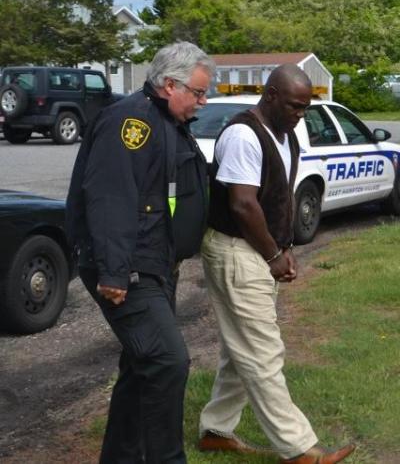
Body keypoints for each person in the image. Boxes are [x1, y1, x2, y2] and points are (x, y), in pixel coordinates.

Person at [198, 64, 356, 464]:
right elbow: (243, 204)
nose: (299, 115)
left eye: (305, 108)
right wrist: (273, 255)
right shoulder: (242, 135)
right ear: (270, 96)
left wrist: (283, 249)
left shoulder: (283, 134)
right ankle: (299, 449)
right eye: (293, 106)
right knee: (264, 351)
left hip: (258, 250)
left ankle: (216, 431)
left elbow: (275, 200)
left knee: (241, 348)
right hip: (236, 251)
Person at [66, 41, 215, 464]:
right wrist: (113, 272)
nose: (203, 103)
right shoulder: (132, 121)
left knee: (140, 366)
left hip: (156, 264)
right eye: (199, 93)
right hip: (129, 270)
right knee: (168, 362)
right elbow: (111, 197)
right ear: (170, 84)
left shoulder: (167, 120)